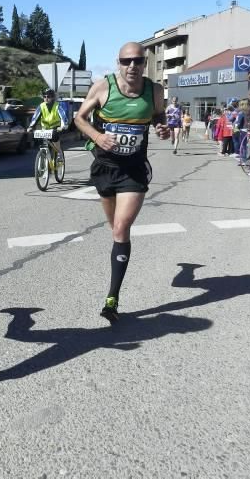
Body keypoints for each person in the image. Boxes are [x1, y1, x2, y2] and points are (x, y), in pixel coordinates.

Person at [74, 41, 171, 322]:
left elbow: (157, 115)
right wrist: (98, 137)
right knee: (113, 227)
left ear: (145, 63)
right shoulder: (104, 87)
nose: (132, 66)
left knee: (121, 227)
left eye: (138, 61)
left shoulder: (155, 90)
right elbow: (79, 118)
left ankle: (112, 299)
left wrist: (161, 126)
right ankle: (119, 251)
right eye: (126, 61)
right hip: (105, 167)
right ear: (118, 62)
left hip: (134, 168)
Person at [27, 88, 69, 161]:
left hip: (56, 128)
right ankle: (44, 157)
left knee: (55, 139)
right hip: (45, 129)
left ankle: (59, 153)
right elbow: (35, 117)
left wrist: (63, 126)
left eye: (48, 97)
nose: (46, 98)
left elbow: (63, 117)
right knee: (41, 142)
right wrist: (31, 127)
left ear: (52, 97)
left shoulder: (57, 106)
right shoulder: (41, 106)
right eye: (44, 97)